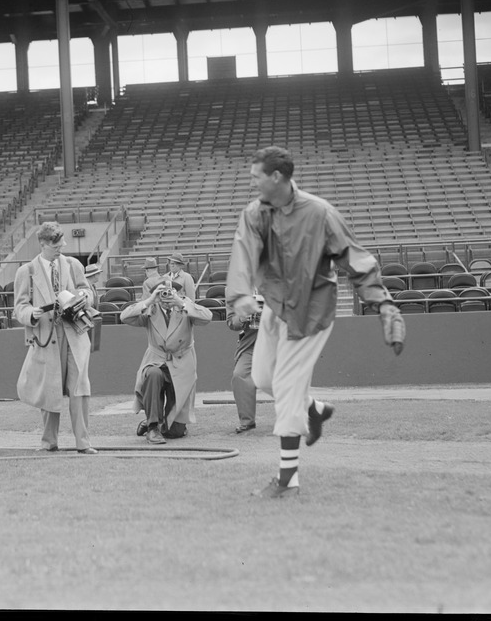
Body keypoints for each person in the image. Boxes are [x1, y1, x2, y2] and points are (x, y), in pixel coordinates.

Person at [226, 146, 405, 498]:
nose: (252, 182)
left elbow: (355, 258)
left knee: (288, 388)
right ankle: (316, 410)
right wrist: (240, 294)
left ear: (276, 177)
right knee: (263, 378)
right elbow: (243, 250)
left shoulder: (321, 213)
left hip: (311, 312)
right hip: (276, 307)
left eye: (256, 176)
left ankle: (286, 481)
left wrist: (384, 304)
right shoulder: (255, 213)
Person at [13, 222, 100, 454]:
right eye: (55, 244)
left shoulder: (73, 265)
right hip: (45, 336)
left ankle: (84, 443)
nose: (61, 247)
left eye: (61, 242)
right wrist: (30, 314)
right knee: (49, 390)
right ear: (42, 244)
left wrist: (82, 296)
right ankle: (49, 442)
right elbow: (19, 307)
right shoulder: (26, 272)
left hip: (75, 333)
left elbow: (88, 291)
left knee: (80, 389)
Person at [120, 279, 213, 444]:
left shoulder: (185, 307)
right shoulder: (151, 310)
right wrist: (149, 300)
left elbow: (207, 317)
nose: (167, 297)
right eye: (163, 293)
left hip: (181, 363)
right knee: (152, 374)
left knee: (175, 432)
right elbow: (124, 316)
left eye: (171, 292)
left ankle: (158, 423)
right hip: (156, 361)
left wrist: (181, 302)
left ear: (178, 293)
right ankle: (153, 426)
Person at [227, 293, 263, 434]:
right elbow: (232, 323)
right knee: (239, 375)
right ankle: (247, 422)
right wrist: (243, 315)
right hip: (250, 344)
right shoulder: (233, 291)